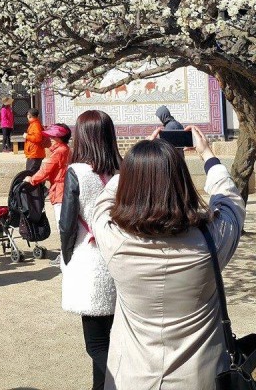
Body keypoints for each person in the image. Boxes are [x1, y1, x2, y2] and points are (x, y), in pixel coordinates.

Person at [92, 126, 245, 390]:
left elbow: (103, 202)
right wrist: (207, 153)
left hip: (131, 377)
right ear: (182, 182)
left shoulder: (113, 239)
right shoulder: (211, 241)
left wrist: (134, 163)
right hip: (200, 378)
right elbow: (230, 201)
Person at [58, 110, 122, 390]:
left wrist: (67, 257)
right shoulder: (124, 171)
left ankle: (122, 382)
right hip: (121, 259)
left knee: (96, 345)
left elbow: (67, 224)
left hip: (91, 261)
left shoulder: (78, 173)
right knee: (115, 337)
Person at [25, 122, 71, 234]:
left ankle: (65, 250)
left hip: (60, 189)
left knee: (61, 222)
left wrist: (31, 180)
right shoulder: (66, 149)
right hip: (66, 186)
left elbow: (46, 170)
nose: (50, 139)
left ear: (58, 138)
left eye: (52, 136)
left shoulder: (59, 152)